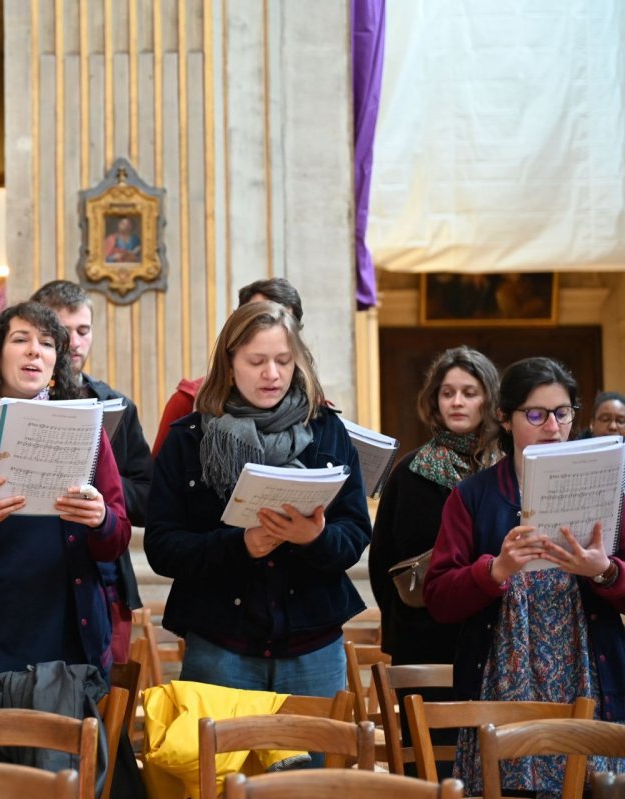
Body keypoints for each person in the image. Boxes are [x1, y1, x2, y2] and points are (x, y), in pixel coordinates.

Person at [145, 301, 370, 702]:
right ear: (229, 365)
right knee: (221, 765)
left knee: (317, 765)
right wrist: (239, 544)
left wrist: (314, 538)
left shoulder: (327, 431)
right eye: (257, 361)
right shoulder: (189, 439)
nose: (272, 374)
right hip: (221, 642)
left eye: (284, 361)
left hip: (311, 643)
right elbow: (161, 547)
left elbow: (354, 533)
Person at [424, 357, 625, 795]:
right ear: (505, 417)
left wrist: (606, 572)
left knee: (595, 785)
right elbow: (437, 596)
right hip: (503, 676)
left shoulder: (612, 486)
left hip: (586, 670)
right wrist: (495, 570)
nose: (552, 426)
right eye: (535, 414)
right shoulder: (472, 496)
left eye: (563, 412)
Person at [0, 301, 133, 692]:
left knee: (68, 753)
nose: (35, 350)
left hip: (68, 637)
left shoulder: (88, 432)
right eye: (21, 339)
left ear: (55, 363)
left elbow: (116, 540)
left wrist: (102, 520)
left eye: (47, 343)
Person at [31, 279, 151, 663]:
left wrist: (99, 488)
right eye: (63, 333)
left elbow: (148, 495)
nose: (76, 343)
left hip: (104, 573)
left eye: (83, 331)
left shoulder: (116, 405)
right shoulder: (9, 403)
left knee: (103, 703)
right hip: (35, 576)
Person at [368, 346, 501, 667]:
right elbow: (381, 562)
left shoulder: (506, 471)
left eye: (469, 393)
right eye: (447, 393)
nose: (456, 402)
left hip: (493, 635)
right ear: (435, 401)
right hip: (422, 638)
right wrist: (405, 619)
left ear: (491, 401)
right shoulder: (409, 470)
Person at [151, 277, 305, 455]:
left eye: (282, 360)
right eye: (258, 319)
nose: (271, 374)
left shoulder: (315, 414)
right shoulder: (188, 402)